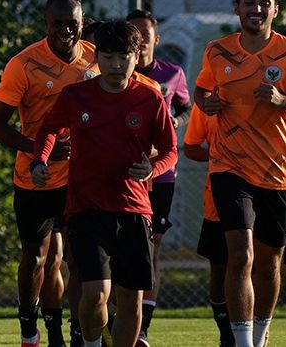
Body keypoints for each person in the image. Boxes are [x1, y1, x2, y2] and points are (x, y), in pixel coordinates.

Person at [31, 20, 178, 347]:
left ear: (136, 56)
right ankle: (93, 343)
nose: (116, 65)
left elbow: (170, 151)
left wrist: (152, 169)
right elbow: (48, 129)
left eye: (123, 56)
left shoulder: (150, 99)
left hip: (134, 210)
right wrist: (41, 160)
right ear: (96, 57)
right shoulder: (75, 96)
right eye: (108, 56)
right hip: (87, 209)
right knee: (95, 292)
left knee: (131, 299)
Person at [0, 0, 96, 347]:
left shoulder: (96, 61)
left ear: (83, 23)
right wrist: (40, 150)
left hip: (83, 179)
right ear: (45, 24)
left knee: (79, 258)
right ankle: (31, 330)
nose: (67, 30)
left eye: (73, 24)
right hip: (37, 177)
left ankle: (78, 333)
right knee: (38, 258)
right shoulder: (24, 64)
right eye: (58, 24)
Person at [194, 0, 286, 347]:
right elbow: (202, 89)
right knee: (241, 254)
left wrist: (281, 101)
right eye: (249, 2)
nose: (256, 8)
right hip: (229, 166)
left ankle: (261, 334)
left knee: (268, 263)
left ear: (275, 10)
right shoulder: (217, 51)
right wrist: (207, 104)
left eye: (264, 2)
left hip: (276, 170)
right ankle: (242, 343)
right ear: (236, 8)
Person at [126, 9, 192, 345]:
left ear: (156, 38)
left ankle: (143, 327)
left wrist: (175, 121)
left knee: (152, 247)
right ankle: (116, 319)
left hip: (160, 174)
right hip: (123, 174)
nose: (139, 41)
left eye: (145, 34)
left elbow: (184, 106)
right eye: (132, 34)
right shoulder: (117, 76)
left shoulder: (172, 74)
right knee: (119, 247)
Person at [183, 106, 233, 346]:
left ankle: (254, 329)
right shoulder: (207, 102)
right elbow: (191, 147)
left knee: (261, 264)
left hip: (266, 190)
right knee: (220, 267)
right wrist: (217, 154)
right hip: (218, 197)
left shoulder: (266, 92)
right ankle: (225, 329)